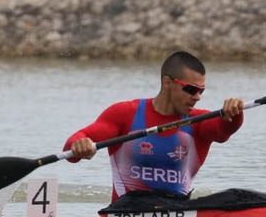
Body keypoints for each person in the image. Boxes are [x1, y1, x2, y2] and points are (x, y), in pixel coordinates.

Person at [64, 51, 244, 200]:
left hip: (178, 216)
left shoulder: (198, 122)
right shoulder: (125, 114)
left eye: (201, 91)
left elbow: (223, 131)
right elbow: (72, 149)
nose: (197, 97)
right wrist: (79, 144)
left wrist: (234, 114)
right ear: (167, 83)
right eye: (191, 89)